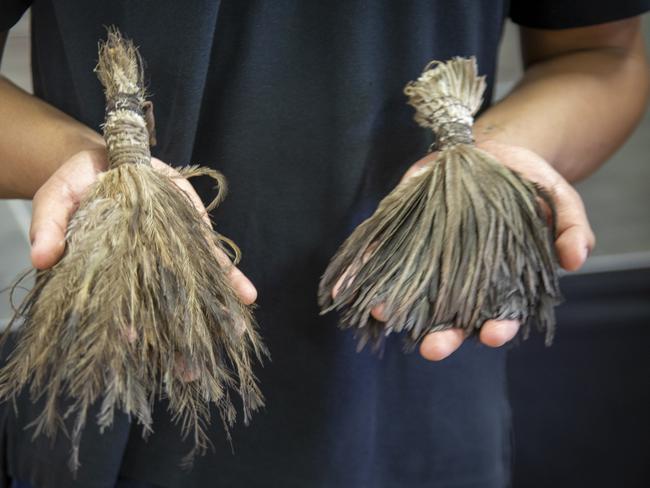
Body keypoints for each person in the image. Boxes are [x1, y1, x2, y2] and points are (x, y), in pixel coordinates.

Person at [0, 2, 648, 487]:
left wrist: (493, 161)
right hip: (125, 363)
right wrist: (84, 161)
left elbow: (600, 53)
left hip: (420, 353)